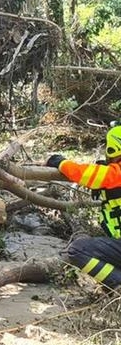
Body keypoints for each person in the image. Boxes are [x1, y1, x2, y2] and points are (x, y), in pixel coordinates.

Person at [46, 123, 121, 289]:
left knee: (78, 250)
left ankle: (117, 283)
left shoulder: (115, 174)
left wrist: (61, 162)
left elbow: (82, 173)